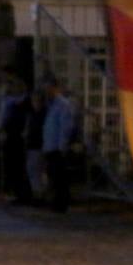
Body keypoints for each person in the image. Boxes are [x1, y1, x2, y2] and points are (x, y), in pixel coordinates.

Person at [41, 78, 77, 212]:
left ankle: (61, 204)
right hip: (50, 146)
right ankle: (55, 202)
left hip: (57, 147)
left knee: (59, 177)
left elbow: (65, 127)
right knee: (52, 176)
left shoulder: (63, 105)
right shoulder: (51, 105)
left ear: (56, 89)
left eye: (49, 88)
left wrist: (62, 145)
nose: (47, 91)